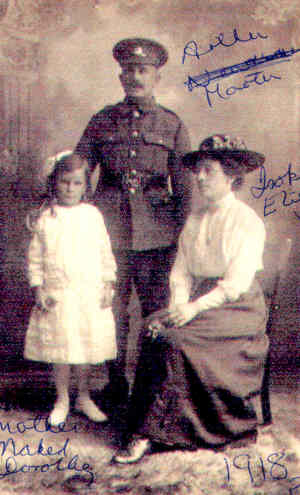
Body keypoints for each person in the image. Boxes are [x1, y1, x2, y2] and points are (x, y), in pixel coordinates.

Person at [113, 134, 269, 463]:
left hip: (238, 307)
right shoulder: (194, 220)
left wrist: (193, 309)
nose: (198, 177)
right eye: (197, 170)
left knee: (174, 339)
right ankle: (144, 423)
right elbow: (181, 273)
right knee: (154, 325)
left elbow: (236, 284)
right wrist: (179, 305)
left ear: (231, 176)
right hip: (200, 298)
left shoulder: (246, 222)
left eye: (208, 171)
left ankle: (158, 432)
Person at [75, 38, 191, 398]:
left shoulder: (172, 125)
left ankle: (151, 389)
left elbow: (185, 189)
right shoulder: (102, 120)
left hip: (158, 236)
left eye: (143, 70)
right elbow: (76, 170)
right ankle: (116, 384)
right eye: (129, 70)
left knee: (157, 311)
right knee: (112, 311)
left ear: (156, 77)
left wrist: (182, 238)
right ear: (120, 75)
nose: (135, 77)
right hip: (108, 233)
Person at [24, 151, 117, 426]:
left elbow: (104, 251)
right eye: (65, 182)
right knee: (62, 347)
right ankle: (62, 397)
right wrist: (38, 288)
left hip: (88, 292)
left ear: (85, 186)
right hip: (59, 294)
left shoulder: (92, 215)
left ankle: (84, 395)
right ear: (54, 183)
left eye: (77, 183)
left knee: (85, 345)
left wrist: (108, 283)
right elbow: (35, 258)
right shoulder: (46, 217)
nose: (70, 188)